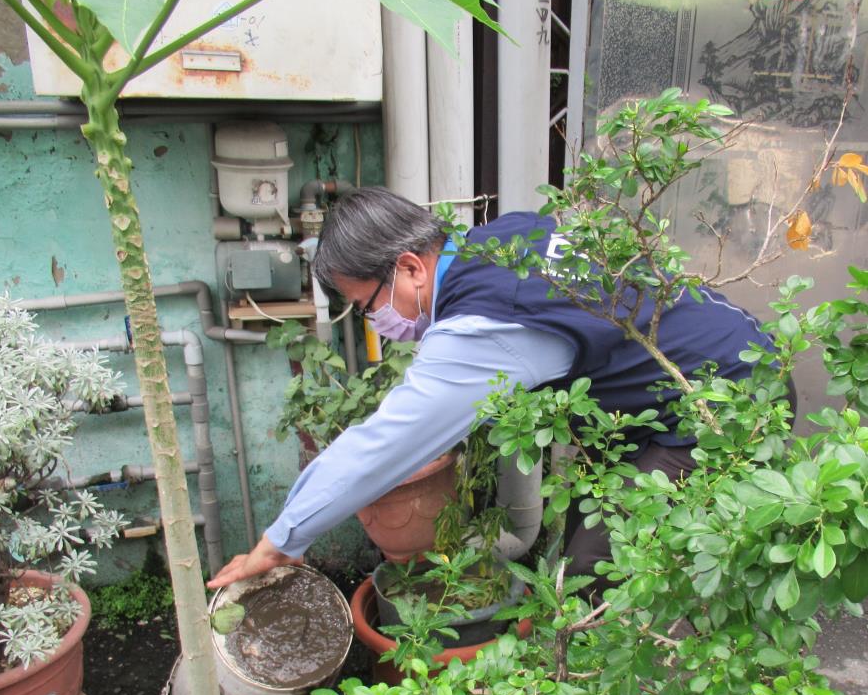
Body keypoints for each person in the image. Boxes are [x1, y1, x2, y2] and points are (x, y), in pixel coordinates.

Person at [207, 186, 775, 590]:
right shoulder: (503, 239)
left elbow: (385, 443)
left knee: (593, 578)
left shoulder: (485, 322)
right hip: (728, 350)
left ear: (409, 268)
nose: (375, 320)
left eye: (368, 304)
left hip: (723, 401)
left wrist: (282, 540)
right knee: (588, 528)